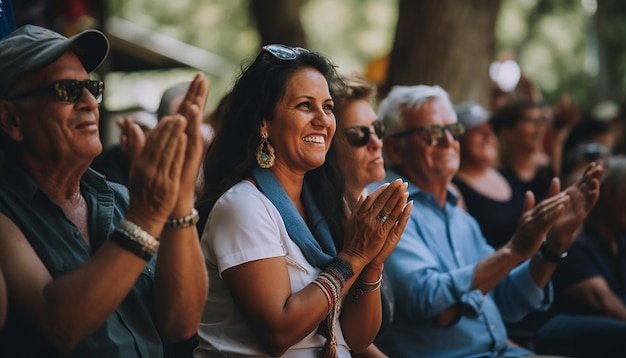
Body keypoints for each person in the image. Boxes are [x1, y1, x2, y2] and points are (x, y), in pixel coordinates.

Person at [0, 24, 208, 357]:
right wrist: (146, 217)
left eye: (91, 88)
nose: (89, 103)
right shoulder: (7, 212)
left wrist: (180, 198)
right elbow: (57, 326)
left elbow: (181, 326)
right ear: (11, 119)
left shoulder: (122, 198)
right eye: (66, 90)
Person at [194, 44, 412, 357]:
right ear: (263, 123)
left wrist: (372, 262)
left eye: (327, 107)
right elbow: (279, 332)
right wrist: (353, 255)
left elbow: (357, 337)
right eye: (305, 106)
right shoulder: (243, 206)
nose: (323, 120)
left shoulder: (328, 204)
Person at [374, 84, 603, 357]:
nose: (449, 142)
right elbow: (429, 302)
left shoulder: (460, 218)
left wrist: (552, 247)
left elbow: (505, 300)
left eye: (454, 130)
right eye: (433, 133)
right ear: (395, 150)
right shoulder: (389, 210)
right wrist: (513, 251)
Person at [532, 156, 626, 357]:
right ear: (610, 193)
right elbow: (601, 301)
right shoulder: (575, 239)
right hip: (563, 332)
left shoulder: (620, 239)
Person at [331, 73, 389, 358]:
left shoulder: (375, 200)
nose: (376, 142)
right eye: (359, 135)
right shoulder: (325, 220)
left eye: (377, 128)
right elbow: (348, 333)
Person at [452, 101, 524, 249]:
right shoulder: (452, 188)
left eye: (491, 130)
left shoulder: (507, 174)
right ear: (458, 138)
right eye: (478, 130)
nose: (488, 136)